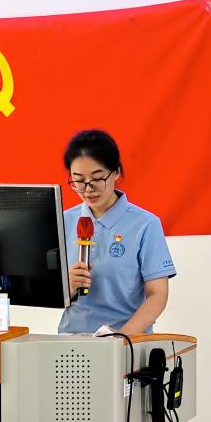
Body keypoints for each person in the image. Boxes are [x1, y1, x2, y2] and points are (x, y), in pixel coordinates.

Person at [58, 129, 176, 335]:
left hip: (126, 340)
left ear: (116, 172)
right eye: (79, 180)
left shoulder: (145, 224)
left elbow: (157, 295)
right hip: (71, 339)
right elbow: (51, 295)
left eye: (97, 178)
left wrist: (120, 339)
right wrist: (67, 286)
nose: (88, 189)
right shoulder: (63, 221)